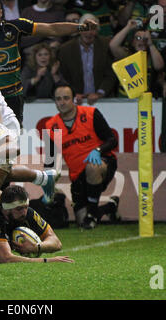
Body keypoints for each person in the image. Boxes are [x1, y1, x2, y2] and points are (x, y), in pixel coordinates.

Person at [0, 0, 99, 125]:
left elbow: (52, 29)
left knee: (11, 143)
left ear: (1, 13)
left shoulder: (15, 27)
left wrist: (80, 27)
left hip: (13, 97)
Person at [45, 84, 120, 229]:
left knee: (92, 167)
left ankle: (92, 214)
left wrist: (98, 150)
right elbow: (50, 160)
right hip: (77, 176)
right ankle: (110, 207)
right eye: (58, 99)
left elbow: (112, 140)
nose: (62, 102)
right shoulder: (51, 126)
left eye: (66, 98)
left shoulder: (91, 114)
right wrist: (48, 185)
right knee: (81, 221)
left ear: (74, 99)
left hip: (102, 163)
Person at [57, 14, 117, 105]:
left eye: (93, 28)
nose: (88, 32)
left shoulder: (106, 45)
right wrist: (72, 93)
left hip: (103, 101)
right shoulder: (65, 49)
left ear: (97, 30)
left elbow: (111, 74)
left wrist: (100, 93)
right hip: (75, 101)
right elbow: (63, 76)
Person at [109, 19, 165, 97]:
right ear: (132, 42)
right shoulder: (127, 55)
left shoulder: (151, 56)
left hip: (143, 100)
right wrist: (128, 27)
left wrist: (151, 44)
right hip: (124, 100)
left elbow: (159, 66)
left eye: (145, 39)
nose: (141, 41)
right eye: (138, 38)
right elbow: (113, 46)